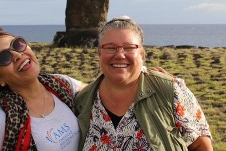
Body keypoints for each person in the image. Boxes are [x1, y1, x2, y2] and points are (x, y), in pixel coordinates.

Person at [75, 16, 213, 151]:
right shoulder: (83, 101)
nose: (120, 55)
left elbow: (202, 147)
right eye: (110, 48)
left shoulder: (170, 91)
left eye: (129, 47)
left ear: (141, 53)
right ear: (99, 53)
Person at [0, 27, 85, 151]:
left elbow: (99, 93)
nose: (17, 55)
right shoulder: (4, 117)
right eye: (4, 57)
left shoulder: (60, 83)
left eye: (17, 44)